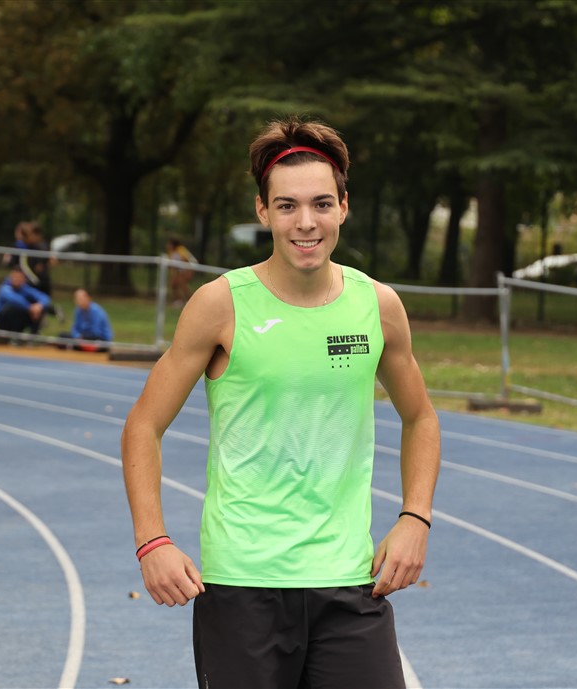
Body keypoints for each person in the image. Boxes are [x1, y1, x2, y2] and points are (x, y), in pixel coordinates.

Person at [121, 116, 441, 689]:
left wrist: (415, 518)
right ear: (263, 211)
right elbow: (143, 424)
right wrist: (153, 541)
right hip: (242, 584)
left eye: (321, 204)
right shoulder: (220, 304)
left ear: (344, 207)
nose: (306, 222)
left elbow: (420, 417)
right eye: (287, 206)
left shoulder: (378, 306)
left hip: (348, 579)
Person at [0, 266, 52, 336]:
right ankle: (6, 335)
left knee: (39, 307)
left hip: (20, 319)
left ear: (24, 279)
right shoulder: (5, 288)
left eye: (19, 277)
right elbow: (14, 299)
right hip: (4, 321)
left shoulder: (24, 288)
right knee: (12, 307)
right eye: (15, 277)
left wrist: (39, 306)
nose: (16, 279)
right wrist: (30, 308)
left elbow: (44, 297)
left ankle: (33, 336)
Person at [164, 237, 197, 306]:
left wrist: (185, 272)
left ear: (173, 245)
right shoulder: (171, 252)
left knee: (181, 283)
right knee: (173, 284)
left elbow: (185, 260)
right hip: (180, 271)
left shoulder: (181, 249)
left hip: (188, 269)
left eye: (169, 244)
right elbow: (170, 265)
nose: (167, 245)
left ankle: (192, 300)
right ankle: (178, 301)